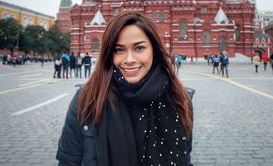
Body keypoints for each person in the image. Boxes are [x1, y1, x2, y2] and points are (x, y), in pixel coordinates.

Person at [56, 12, 193, 165]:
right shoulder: (87, 100)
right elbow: (68, 161)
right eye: (119, 50)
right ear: (109, 54)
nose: (129, 60)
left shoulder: (177, 99)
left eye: (139, 48)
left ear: (154, 50)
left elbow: (184, 159)